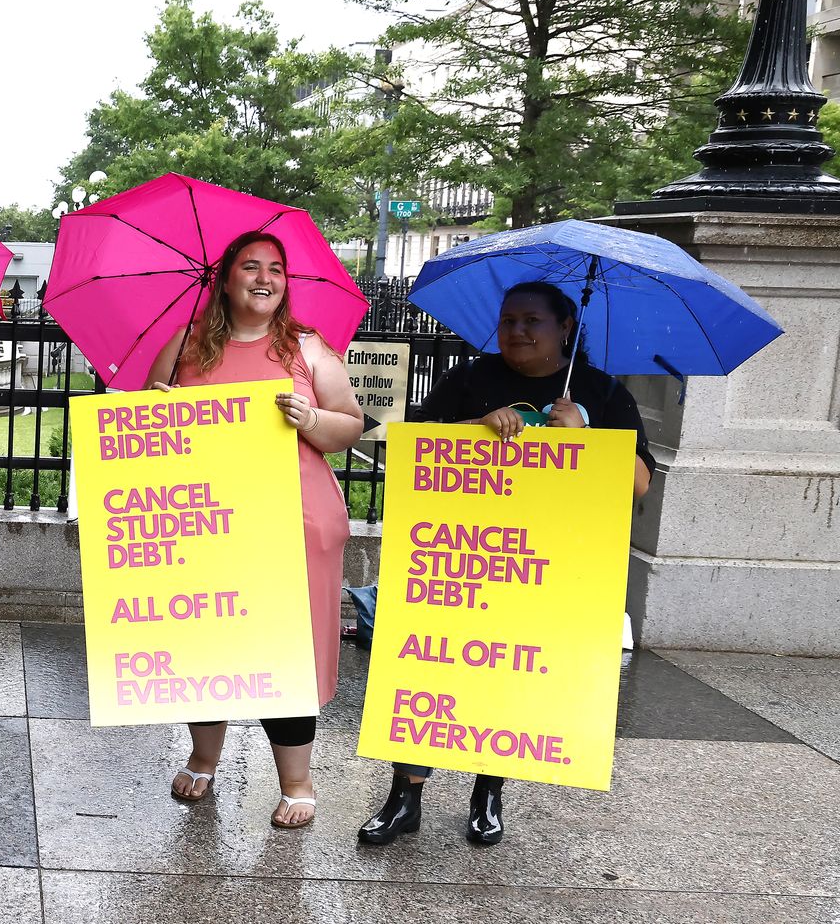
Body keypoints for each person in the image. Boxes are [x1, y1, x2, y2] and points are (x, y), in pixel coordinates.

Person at [357, 280, 653, 848]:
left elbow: (637, 485)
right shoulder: (471, 377)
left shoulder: (601, 392)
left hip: (543, 563)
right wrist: (476, 427)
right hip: (462, 558)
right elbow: (408, 444)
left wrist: (586, 434)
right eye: (508, 319)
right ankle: (405, 795)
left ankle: (487, 793)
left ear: (565, 326)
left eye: (532, 321)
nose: (517, 331)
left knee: (504, 672)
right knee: (430, 672)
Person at [145, 230, 364, 829]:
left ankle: (297, 779)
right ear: (226, 277)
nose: (265, 278)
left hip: (294, 520)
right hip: (206, 527)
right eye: (250, 266)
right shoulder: (186, 344)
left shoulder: (306, 348)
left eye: (276, 268)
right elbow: (140, 432)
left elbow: (351, 425)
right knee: (206, 640)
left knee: (285, 648)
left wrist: (312, 417)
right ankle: (204, 756)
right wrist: (156, 408)